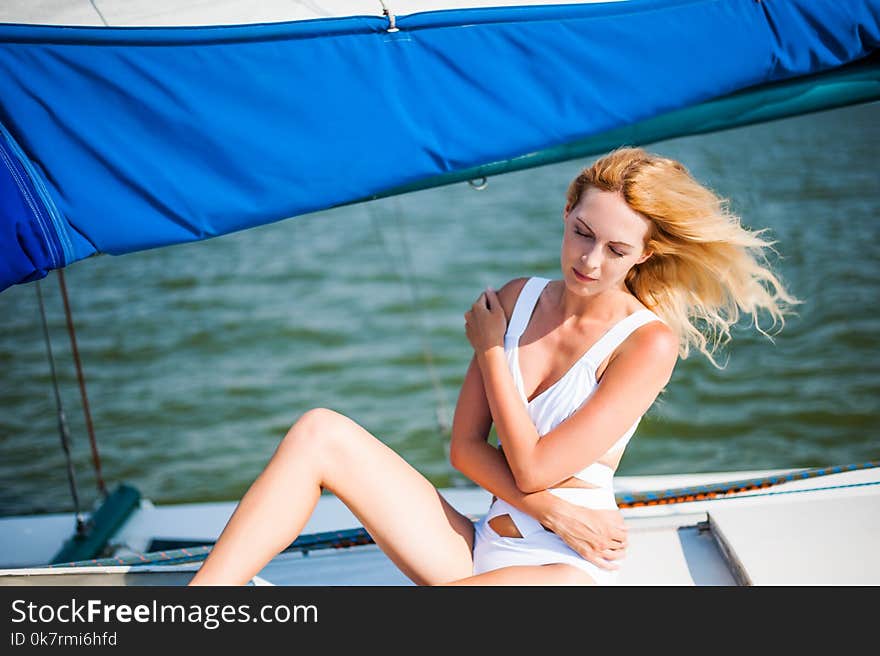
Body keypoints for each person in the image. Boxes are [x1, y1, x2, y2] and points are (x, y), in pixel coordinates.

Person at [188, 146, 796, 586]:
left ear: (645, 254)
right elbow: (464, 449)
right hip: (481, 543)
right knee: (320, 431)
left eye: (615, 250)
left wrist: (489, 350)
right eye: (582, 232)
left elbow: (531, 467)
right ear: (565, 211)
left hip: (564, 570)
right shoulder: (515, 298)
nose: (588, 260)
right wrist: (555, 511)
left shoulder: (647, 344)